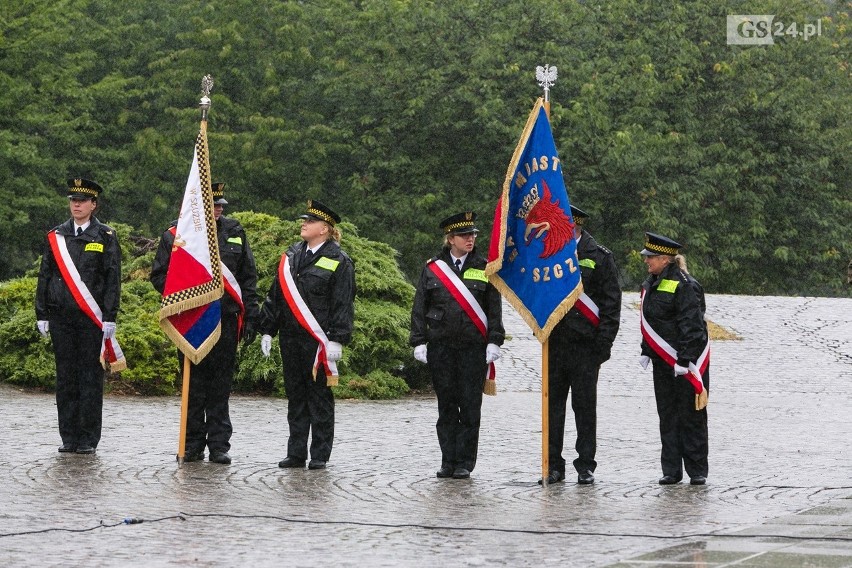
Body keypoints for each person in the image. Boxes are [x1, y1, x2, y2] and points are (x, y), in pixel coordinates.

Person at [151, 182, 259, 464]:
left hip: (226, 317)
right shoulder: (175, 235)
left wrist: (251, 313)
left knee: (220, 386)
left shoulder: (235, 232)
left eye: (221, 204)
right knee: (193, 386)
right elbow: (160, 276)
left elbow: (247, 277)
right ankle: (192, 444)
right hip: (191, 320)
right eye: (213, 204)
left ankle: (219, 445)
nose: (219, 209)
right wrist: (189, 296)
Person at [259, 199, 356, 471]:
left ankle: (320, 454)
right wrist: (268, 329)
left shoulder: (339, 260)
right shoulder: (292, 255)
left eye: (310, 221)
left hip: (319, 341)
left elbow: (342, 302)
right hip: (290, 337)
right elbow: (276, 296)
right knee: (296, 396)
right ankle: (296, 452)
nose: (304, 224)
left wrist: (337, 337)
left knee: (319, 398)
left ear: (325, 229)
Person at [410, 212, 504, 480]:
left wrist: (494, 340)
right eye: (464, 235)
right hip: (441, 347)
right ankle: (447, 460)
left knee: (470, 406)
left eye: (473, 235)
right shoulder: (432, 268)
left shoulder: (485, 268)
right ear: (450, 239)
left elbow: (493, 309)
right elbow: (420, 308)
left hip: (473, 348)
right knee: (446, 406)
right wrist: (418, 341)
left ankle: (464, 462)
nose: (470, 239)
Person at [35, 178, 122, 455]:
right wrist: (42, 313)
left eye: (82, 201)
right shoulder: (57, 236)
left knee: (89, 378)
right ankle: (69, 437)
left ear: (93, 205)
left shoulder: (105, 236)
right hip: (61, 317)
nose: (76, 204)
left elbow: (112, 279)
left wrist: (110, 316)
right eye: (73, 200)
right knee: (66, 379)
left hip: (91, 320)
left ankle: (87, 439)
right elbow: (45, 275)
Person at [541, 205, 621, 485]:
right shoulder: (548, 253)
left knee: (584, 408)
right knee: (553, 408)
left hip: (587, 346)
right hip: (556, 344)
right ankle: (553, 465)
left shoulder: (598, 256)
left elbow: (611, 304)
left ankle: (585, 465)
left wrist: (604, 345)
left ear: (573, 225)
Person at [638, 232, 709, 485]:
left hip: (684, 364)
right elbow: (651, 322)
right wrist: (647, 349)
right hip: (662, 362)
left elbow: (692, 326)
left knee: (690, 416)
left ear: (665, 259)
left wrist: (684, 358)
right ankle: (671, 469)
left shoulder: (685, 284)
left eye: (651, 257)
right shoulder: (650, 284)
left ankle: (697, 470)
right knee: (667, 415)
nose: (647, 261)